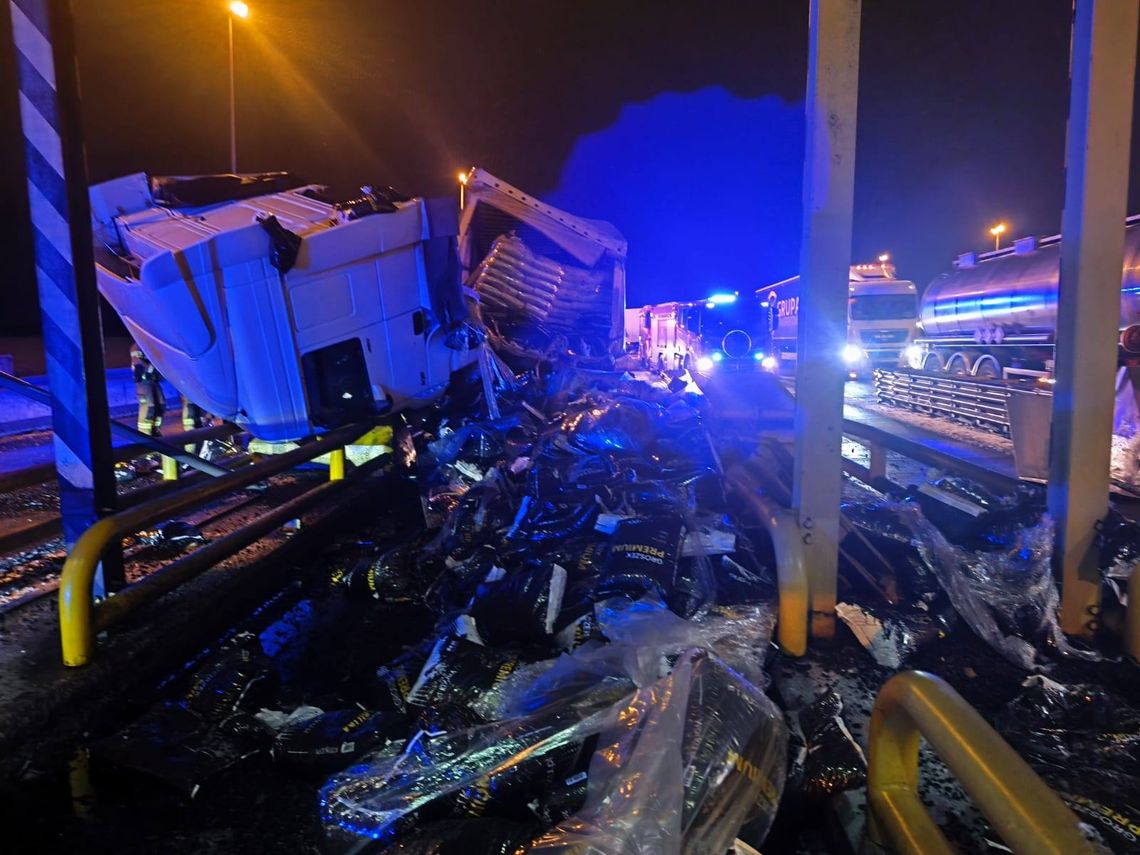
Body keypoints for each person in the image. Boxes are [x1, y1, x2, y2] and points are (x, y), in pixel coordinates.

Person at [130, 341, 164, 436]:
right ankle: (145, 435)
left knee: (161, 405)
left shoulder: (150, 345)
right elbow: (138, 362)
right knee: (150, 406)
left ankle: (155, 431)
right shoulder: (137, 346)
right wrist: (152, 367)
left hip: (153, 380)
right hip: (143, 381)